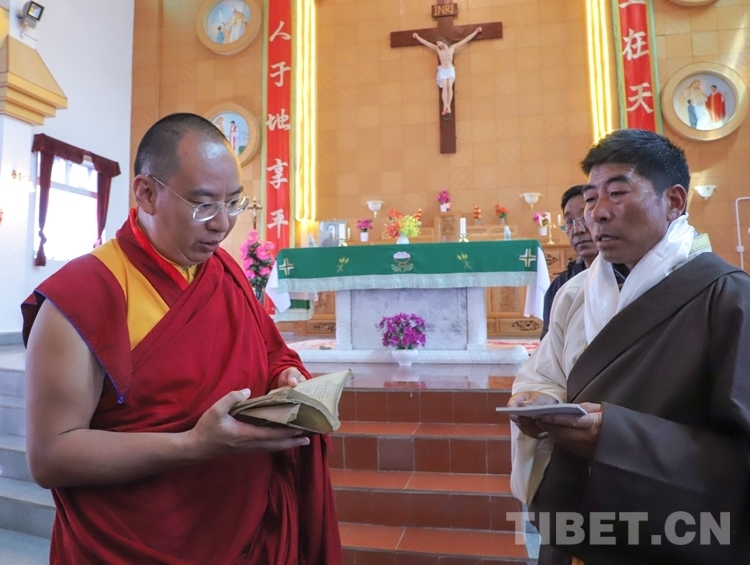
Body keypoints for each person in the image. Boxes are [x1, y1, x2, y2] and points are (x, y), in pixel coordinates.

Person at [22, 113, 343, 564]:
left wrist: (283, 378)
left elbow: (271, 353)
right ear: (146, 193)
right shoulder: (83, 296)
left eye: (234, 202)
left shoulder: (224, 273)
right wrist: (192, 445)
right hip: (137, 541)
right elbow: (51, 455)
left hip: (248, 528)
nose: (222, 224)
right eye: (203, 204)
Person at [508, 128, 750, 564]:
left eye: (617, 194)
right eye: (590, 199)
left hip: (673, 536)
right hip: (576, 525)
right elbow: (544, 375)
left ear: (674, 201)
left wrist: (614, 437)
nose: (597, 214)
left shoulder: (729, 297)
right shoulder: (575, 294)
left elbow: (739, 454)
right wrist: (538, 403)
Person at [539, 185, 599, 339]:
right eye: (569, 222)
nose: (577, 230)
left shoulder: (626, 276)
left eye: (584, 217)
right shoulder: (560, 285)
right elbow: (549, 343)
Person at [412, 27, 482, 117]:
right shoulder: (437, 49)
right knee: (445, 87)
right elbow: (426, 43)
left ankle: (448, 106)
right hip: (443, 70)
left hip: (450, 69)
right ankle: (445, 106)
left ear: (443, 41)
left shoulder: (452, 48)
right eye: (437, 44)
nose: (438, 45)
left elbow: (465, 40)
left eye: (439, 43)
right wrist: (417, 37)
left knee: (449, 86)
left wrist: (476, 32)